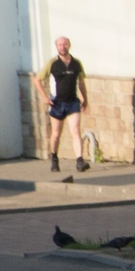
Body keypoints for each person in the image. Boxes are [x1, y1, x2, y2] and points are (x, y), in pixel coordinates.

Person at [37, 37, 88, 178]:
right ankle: (54, 158)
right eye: (60, 44)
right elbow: (37, 80)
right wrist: (45, 97)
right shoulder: (52, 63)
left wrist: (85, 99)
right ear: (57, 47)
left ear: (69, 45)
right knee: (56, 134)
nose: (62, 47)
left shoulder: (76, 64)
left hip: (73, 102)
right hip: (57, 103)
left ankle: (79, 161)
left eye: (65, 44)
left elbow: (81, 83)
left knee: (76, 131)